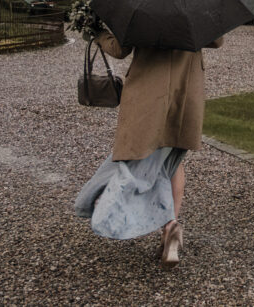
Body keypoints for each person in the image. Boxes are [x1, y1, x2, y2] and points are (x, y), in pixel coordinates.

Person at [74, 31, 223, 269]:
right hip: (184, 96)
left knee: (139, 157)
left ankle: (124, 213)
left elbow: (119, 49)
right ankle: (171, 228)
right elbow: (216, 39)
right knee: (171, 160)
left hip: (149, 95)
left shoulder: (144, 6)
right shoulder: (194, 4)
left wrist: (97, 33)